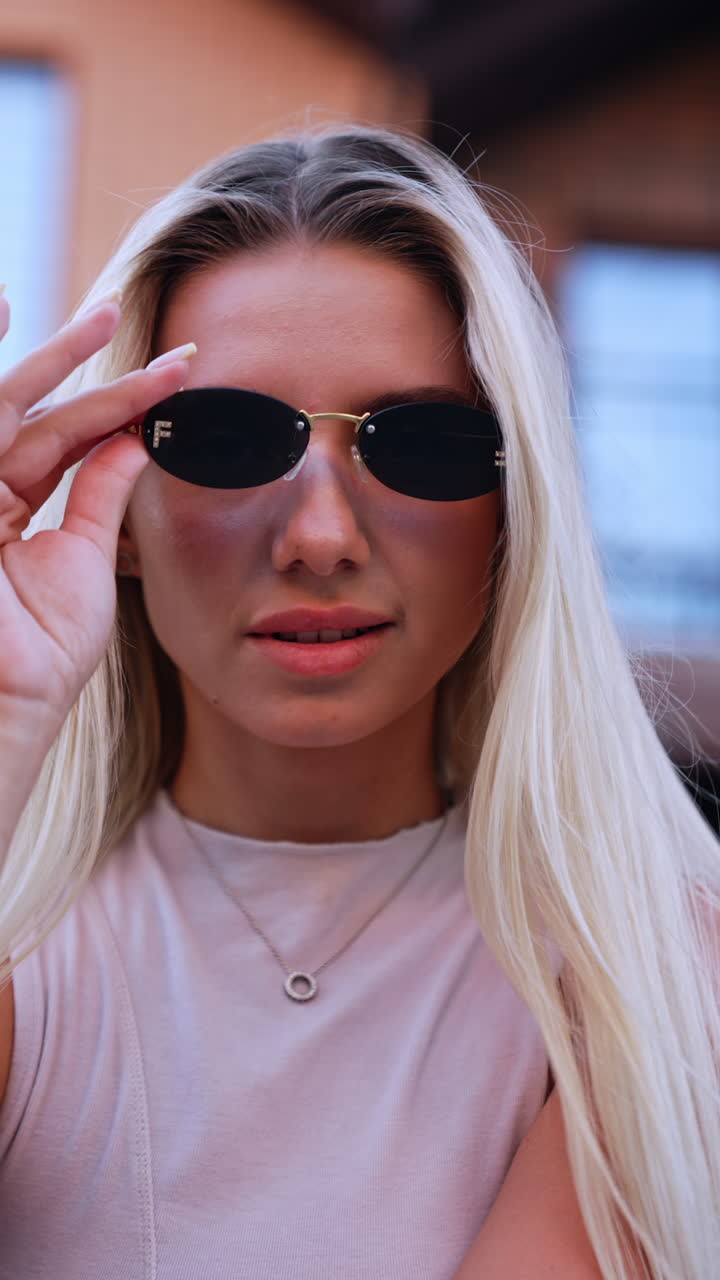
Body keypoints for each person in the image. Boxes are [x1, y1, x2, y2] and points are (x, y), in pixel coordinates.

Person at [0, 124, 717, 1280]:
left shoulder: (653, 980)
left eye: (421, 443)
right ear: (116, 510)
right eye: (228, 438)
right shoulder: (24, 950)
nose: (321, 536)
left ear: (514, 509)